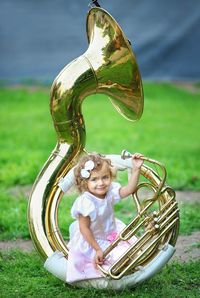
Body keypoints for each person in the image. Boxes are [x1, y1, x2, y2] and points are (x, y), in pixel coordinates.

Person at [66, 153, 144, 283]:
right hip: (94, 240)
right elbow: (84, 228)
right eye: (94, 179)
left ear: (110, 176)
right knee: (120, 259)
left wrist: (136, 169)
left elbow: (129, 189)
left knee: (132, 253)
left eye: (105, 177)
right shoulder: (86, 202)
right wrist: (97, 249)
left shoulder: (110, 192)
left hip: (112, 231)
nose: (101, 183)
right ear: (85, 182)